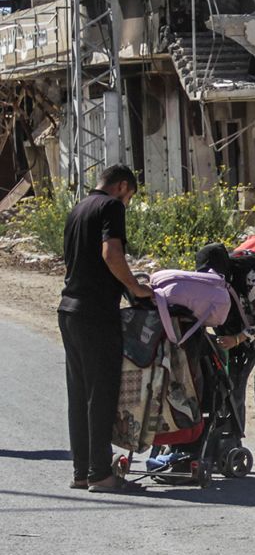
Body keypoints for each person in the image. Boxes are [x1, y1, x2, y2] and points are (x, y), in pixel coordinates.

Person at [59, 164, 152, 493]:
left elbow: (74, 262)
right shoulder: (110, 206)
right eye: (129, 198)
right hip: (96, 313)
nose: (126, 204)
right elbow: (111, 253)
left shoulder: (78, 208)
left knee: (79, 393)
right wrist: (135, 287)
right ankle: (101, 474)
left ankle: (81, 471)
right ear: (122, 186)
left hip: (69, 309)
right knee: (101, 395)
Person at [194, 242, 255, 475]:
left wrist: (237, 339)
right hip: (241, 334)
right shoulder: (212, 282)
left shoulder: (250, 275)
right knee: (232, 391)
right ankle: (231, 450)